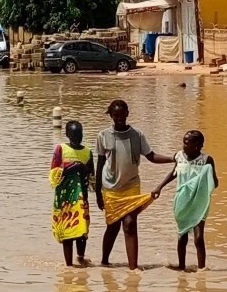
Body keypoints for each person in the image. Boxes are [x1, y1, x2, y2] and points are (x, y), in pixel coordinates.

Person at [95, 99, 173, 270]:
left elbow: (151, 156)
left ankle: (133, 269)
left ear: (127, 114)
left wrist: (173, 158)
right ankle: (104, 262)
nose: (119, 118)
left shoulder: (137, 135)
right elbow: (100, 165)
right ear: (111, 116)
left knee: (130, 224)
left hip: (131, 186)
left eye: (122, 115)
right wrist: (98, 193)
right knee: (113, 226)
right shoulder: (103, 136)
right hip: (110, 188)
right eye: (115, 115)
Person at [152, 130, 219, 270]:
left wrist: (207, 174)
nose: (183, 146)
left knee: (198, 238)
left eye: (187, 143)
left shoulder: (207, 160)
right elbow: (174, 173)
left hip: (199, 203)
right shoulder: (179, 157)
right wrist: (159, 187)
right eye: (183, 142)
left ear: (197, 145)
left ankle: (202, 270)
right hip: (182, 201)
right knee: (182, 236)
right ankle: (181, 267)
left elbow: (215, 183)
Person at [51, 120, 95, 267]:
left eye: (79, 134)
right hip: (65, 198)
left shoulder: (87, 152)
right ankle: (69, 266)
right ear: (67, 135)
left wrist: (98, 194)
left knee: (82, 231)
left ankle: (81, 259)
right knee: (68, 233)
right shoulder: (60, 149)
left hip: (81, 198)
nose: (77, 138)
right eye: (74, 135)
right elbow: (53, 175)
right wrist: (74, 167)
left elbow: (92, 177)